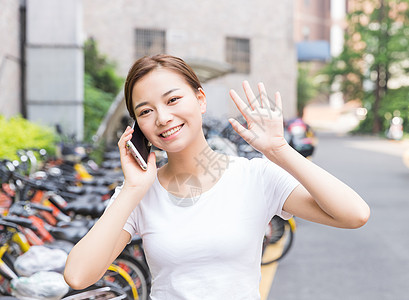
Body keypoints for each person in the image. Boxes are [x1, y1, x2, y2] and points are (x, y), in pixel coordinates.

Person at [64, 54, 370, 299]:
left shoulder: (255, 177)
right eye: (145, 111)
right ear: (138, 128)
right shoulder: (140, 192)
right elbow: (78, 276)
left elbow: (354, 214)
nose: (162, 118)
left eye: (172, 100)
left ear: (200, 99)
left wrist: (278, 149)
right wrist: (132, 189)